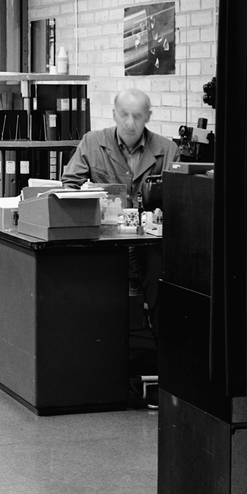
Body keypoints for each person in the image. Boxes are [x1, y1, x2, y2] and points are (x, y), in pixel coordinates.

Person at [61, 88, 178, 330]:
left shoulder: (168, 150)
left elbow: (178, 201)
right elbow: (69, 186)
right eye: (124, 114)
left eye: (137, 116)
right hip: (102, 239)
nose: (130, 123)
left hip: (146, 242)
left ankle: (163, 346)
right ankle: (96, 341)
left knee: (161, 274)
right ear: (114, 114)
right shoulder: (93, 143)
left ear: (148, 116)